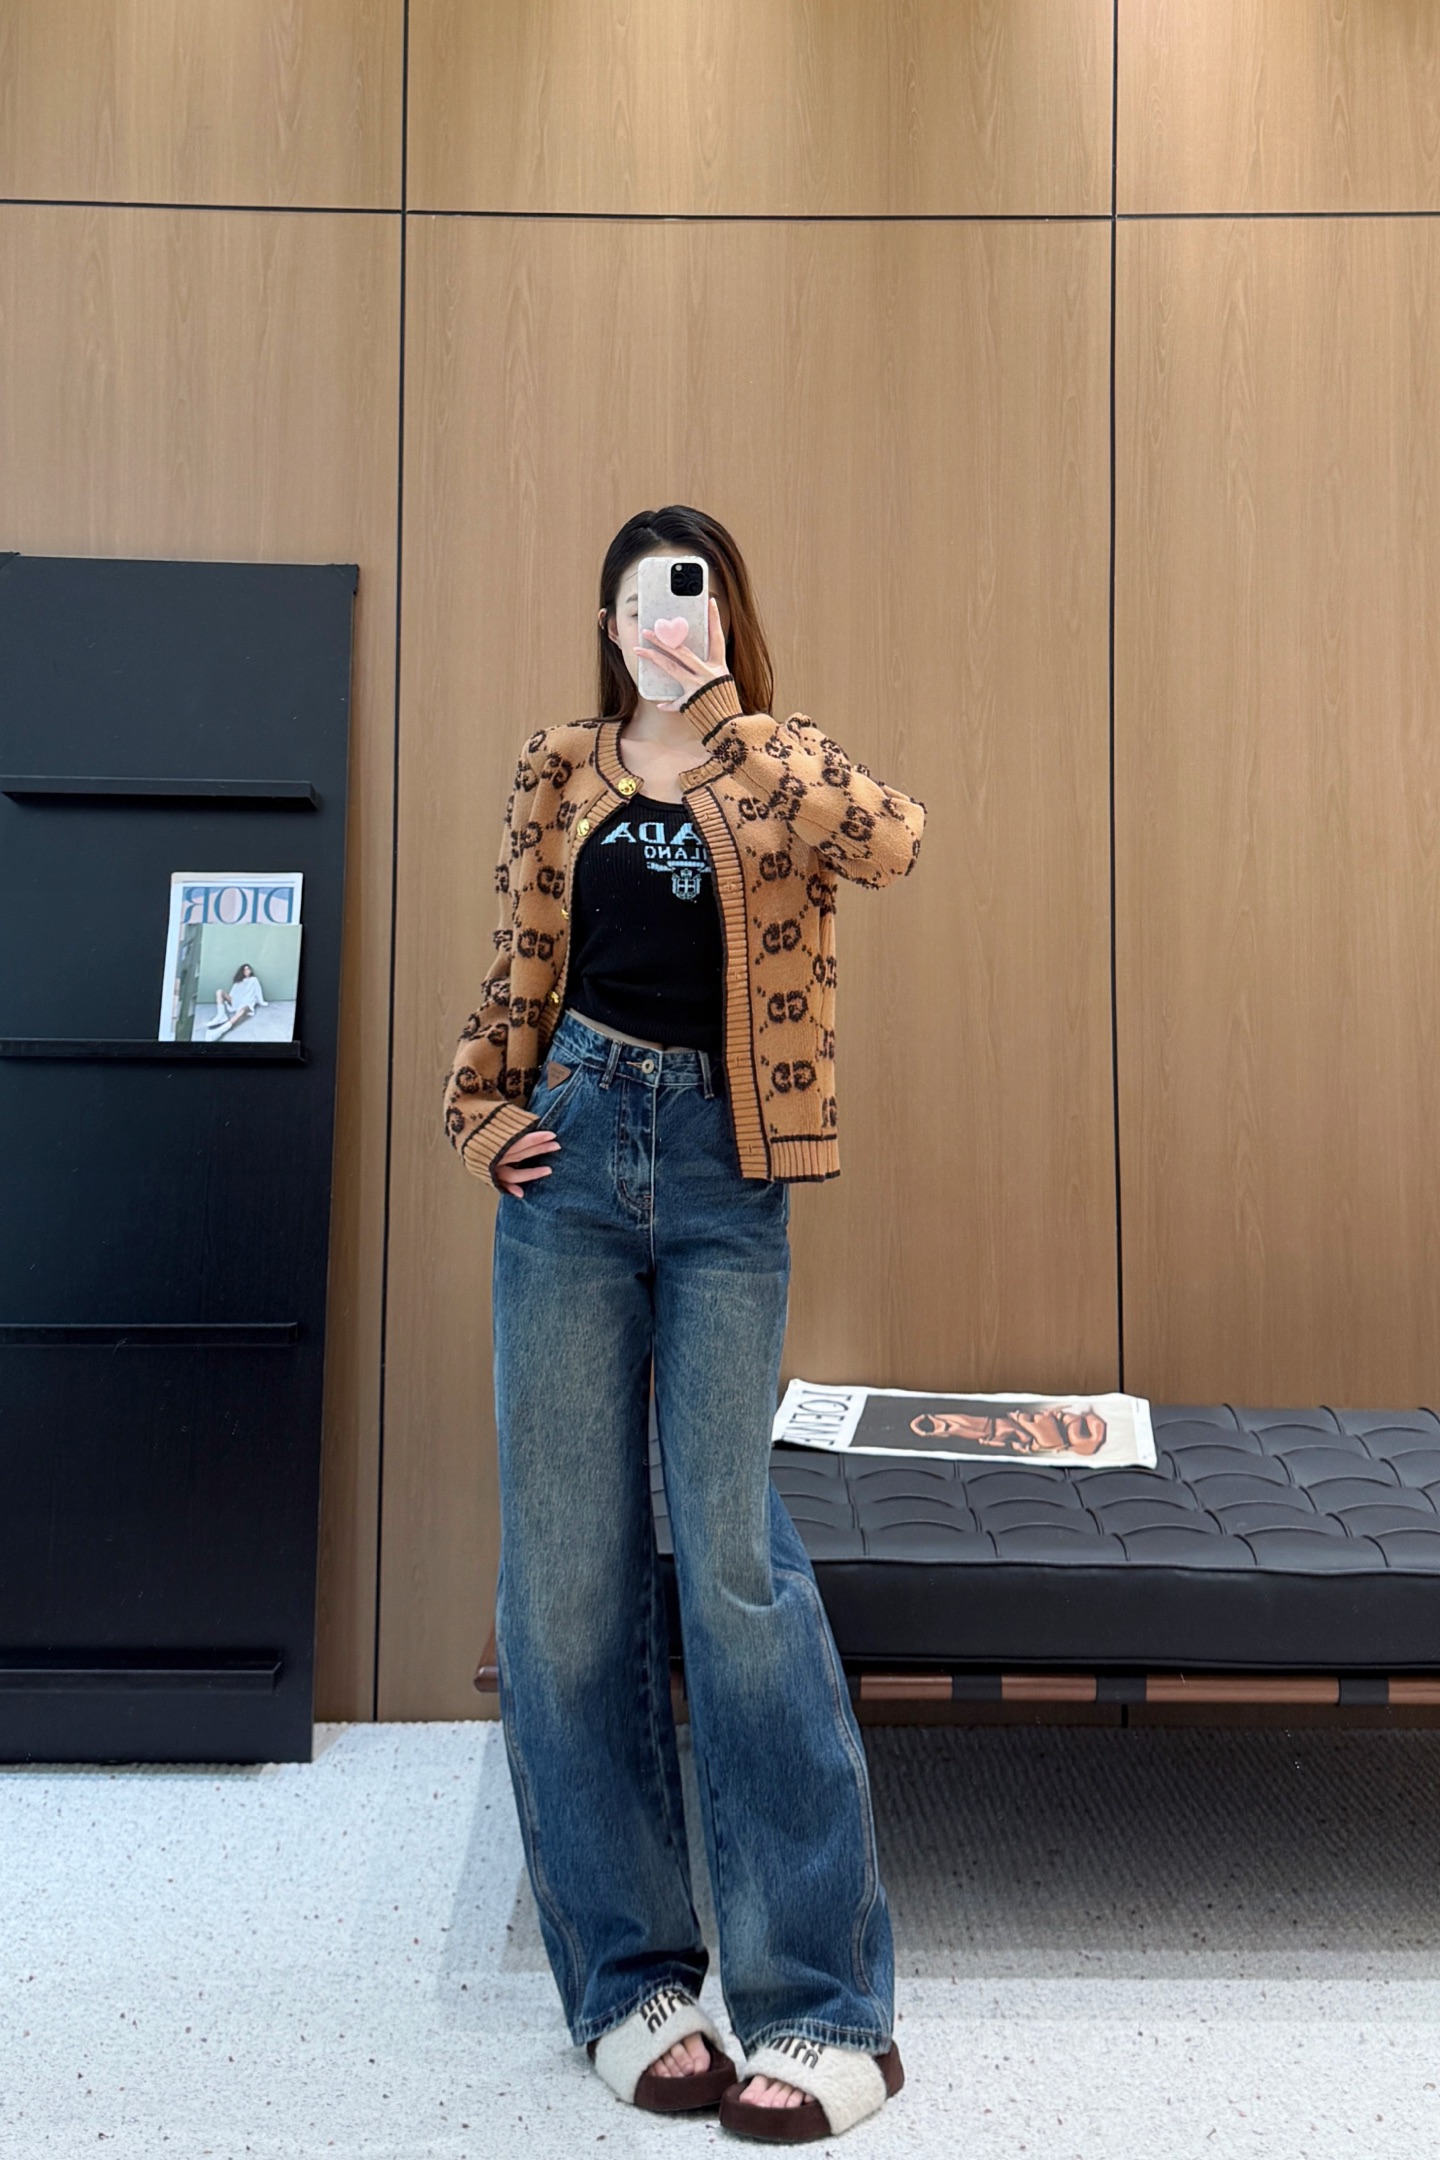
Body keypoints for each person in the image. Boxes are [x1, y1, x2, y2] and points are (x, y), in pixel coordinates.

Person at [441, 506, 926, 2143]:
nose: (665, 618)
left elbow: (895, 842)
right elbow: (514, 966)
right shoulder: (558, 769)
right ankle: (630, 1982)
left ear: (725, 613)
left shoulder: (780, 764)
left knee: (729, 1559)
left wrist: (727, 720)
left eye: (693, 594)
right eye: (643, 598)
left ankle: (824, 2009)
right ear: (606, 618)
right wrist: (478, 1114)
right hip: (573, 1153)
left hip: (730, 1172)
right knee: (563, 1573)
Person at [204, 962, 266, 1035]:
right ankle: (221, 1016)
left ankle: (220, 1030)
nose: (246, 971)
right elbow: (233, 993)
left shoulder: (254, 980)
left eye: (248, 969)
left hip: (247, 1002)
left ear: (251, 971)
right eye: (244, 970)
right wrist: (230, 1000)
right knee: (219, 991)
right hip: (236, 1001)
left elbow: (258, 991)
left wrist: (261, 1001)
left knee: (243, 1010)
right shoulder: (239, 981)